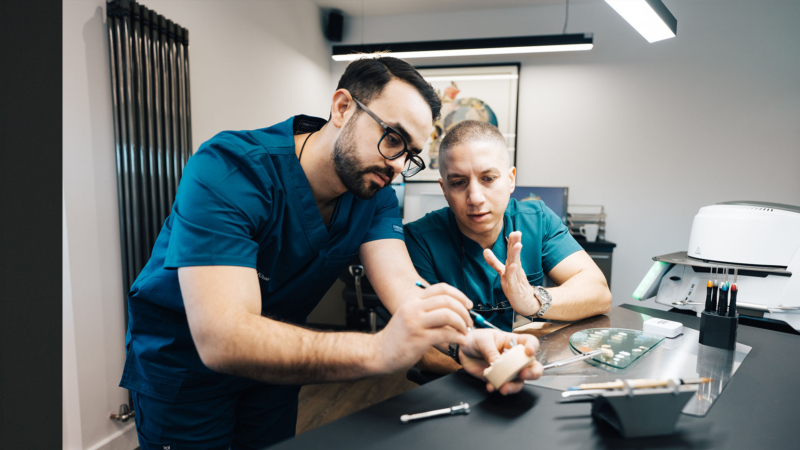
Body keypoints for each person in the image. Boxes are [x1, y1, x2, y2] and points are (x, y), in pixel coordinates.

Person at [120, 57, 544, 450]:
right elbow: (222, 338)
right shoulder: (231, 170)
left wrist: (467, 338)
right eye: (392, 138)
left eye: (410, 154)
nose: (398, 165)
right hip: (186, 371)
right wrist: (379, 350)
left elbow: (405, 285)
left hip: (277, 367)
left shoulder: (372, 193)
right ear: (342, 107)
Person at [404, 120, 612, 373]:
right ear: (444, 189)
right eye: (458, 182)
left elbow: (599, 293)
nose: (475, 198)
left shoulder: (536, 220)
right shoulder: (419, 239)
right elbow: (422, 347)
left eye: (488, 178)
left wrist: (532, 300)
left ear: (511, 180)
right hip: (456, 381)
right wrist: (498, 372)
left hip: (525, 369)